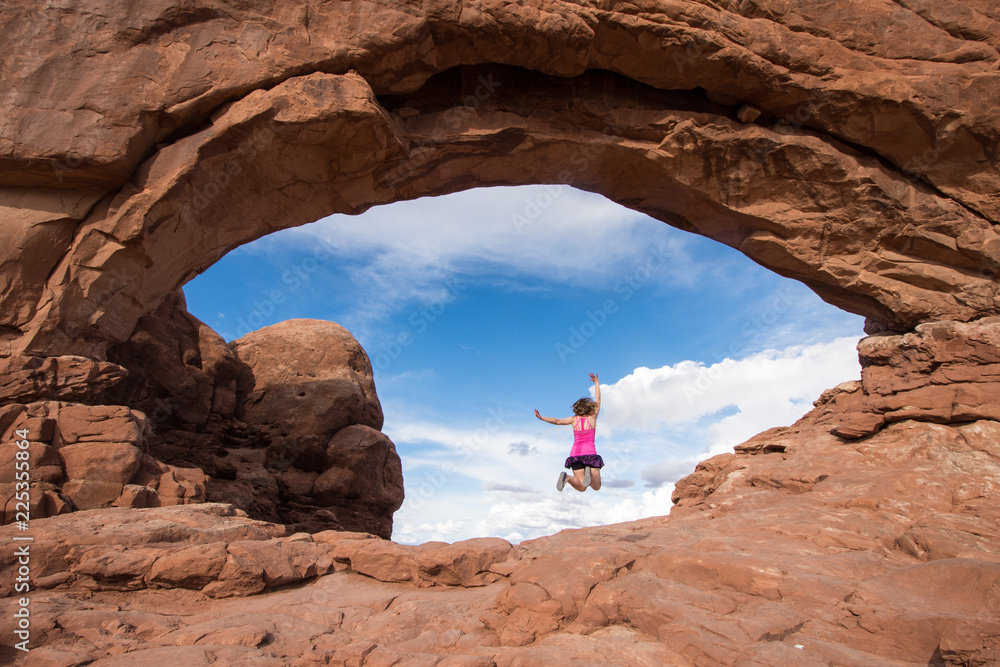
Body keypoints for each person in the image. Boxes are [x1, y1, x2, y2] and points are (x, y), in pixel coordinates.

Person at [534, 373, 604, 492]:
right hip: (590, 453)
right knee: (596, 487)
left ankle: (567, 478)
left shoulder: (573, 420)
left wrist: (541, 418)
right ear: (588, 407)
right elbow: (598, 400)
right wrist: (597, 383)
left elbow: (557, 421)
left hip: (575, 455)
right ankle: (590, 474)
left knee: (582, 487)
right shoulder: (592, 417)